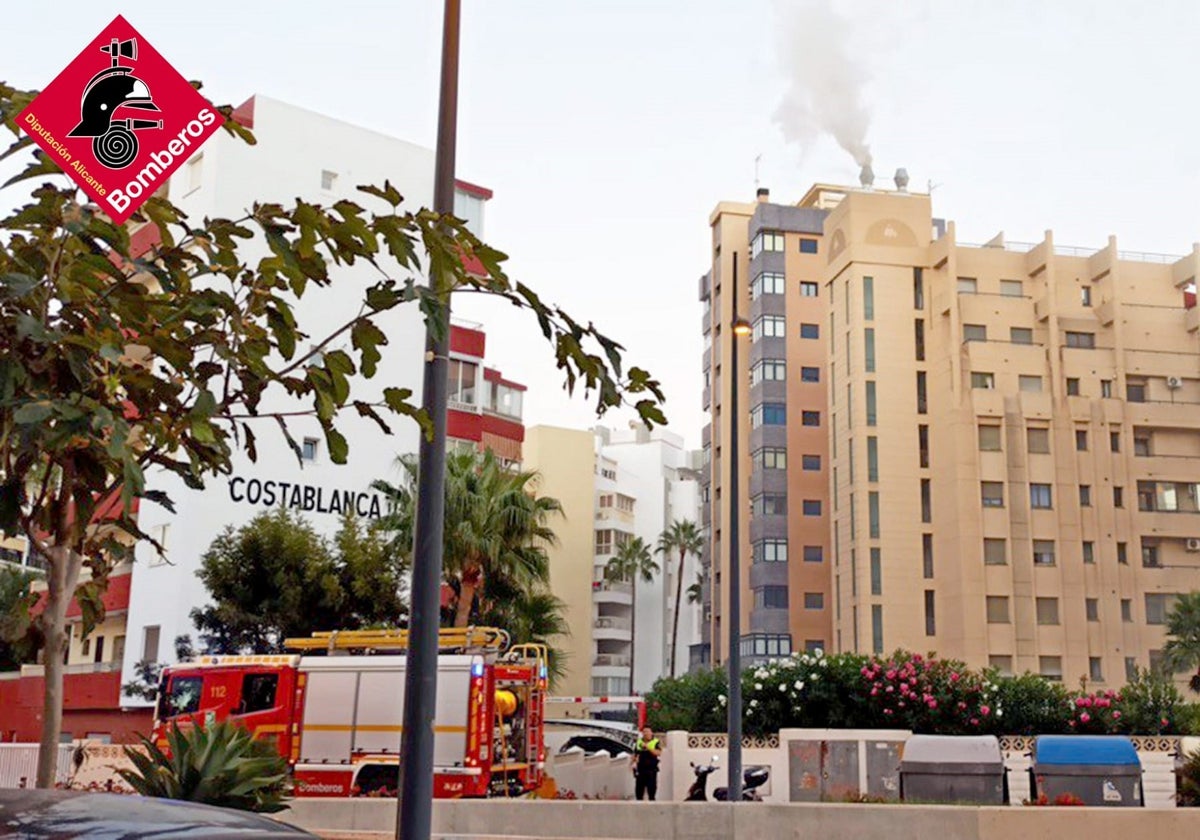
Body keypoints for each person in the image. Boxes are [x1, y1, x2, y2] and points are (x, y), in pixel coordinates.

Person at [631, 726, 662, 801]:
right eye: (644, 732)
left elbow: (658, 753)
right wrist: (633, 761)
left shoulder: (656, 741)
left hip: (651, 770)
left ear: (651, 733)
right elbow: (635, 754)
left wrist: (648, 747)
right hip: (641, 770)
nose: (646, 734)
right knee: (639, 792)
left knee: (651, 792)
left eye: (648, 732)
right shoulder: (639, 742)